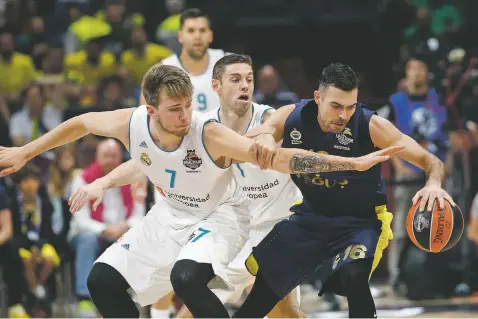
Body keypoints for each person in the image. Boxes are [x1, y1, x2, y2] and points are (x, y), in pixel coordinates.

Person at [0, 64, 401, 318]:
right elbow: (82, 123)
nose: (184, 116)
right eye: (174, 109)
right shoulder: (132, 123)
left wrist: (351, 163)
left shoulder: (207, 133)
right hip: (168, 216)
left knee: (187, 278)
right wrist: (25, 151)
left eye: (189, 105)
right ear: (151, 110)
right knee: (101, 282)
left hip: (222, 216)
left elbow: (283, 160)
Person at [231, 62, 455, 318]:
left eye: (350, 106)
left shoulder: (371, 125)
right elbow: (259, 133)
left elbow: (430, 160)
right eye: (336, 106)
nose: (343, 115)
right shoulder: (293, 116)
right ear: (318, 97)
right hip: (310, 218)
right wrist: (265, 137)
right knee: (261, 294)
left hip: (360, 222)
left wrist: (434, 183)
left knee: (354, 277)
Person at [177, 54, 305, 318]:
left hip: (277, 230)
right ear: (216, 86)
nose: (245, 85)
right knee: (189, 313)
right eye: (235, 79)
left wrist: (269, 138)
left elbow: (280, 121)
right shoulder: (204, 127)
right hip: (233, 233)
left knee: (285, 314)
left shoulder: (269, 119)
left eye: (249, 79)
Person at [160, 8, 226, 113]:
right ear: (180, 36)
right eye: (191, 31)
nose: (197, 36)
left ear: (210, 35)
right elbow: (146, 119)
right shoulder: (163, 72)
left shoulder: (227, 63)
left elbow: (249, 108)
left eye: (202, 30)